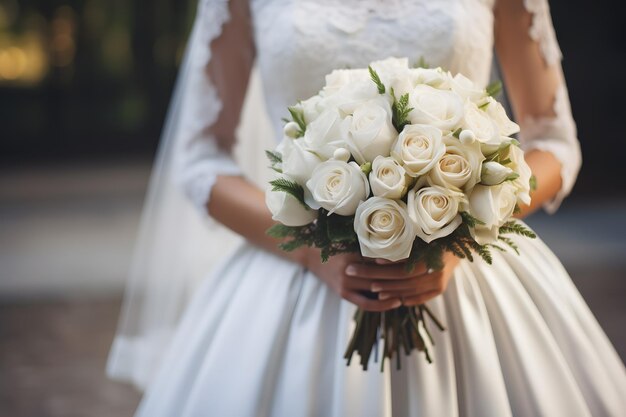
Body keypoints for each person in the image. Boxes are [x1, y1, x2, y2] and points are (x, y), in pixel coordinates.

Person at [108, 0, 626, 415]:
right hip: (300, 272)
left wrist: (462, 230)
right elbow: (201, 157)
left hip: (465, 271)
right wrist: (311, 253)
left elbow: (553, 139)